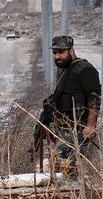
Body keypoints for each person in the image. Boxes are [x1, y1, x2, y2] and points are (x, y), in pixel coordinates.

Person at [44, 36, 101, 174]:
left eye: (61, 52)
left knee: (66, 171)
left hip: (77, 130)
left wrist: (90, 126)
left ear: (71, 50)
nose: (57, 56)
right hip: (64, 129)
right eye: (55, 53)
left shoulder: (84, 69)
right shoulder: (65, 69)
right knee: (59, 169)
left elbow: (94, 98)